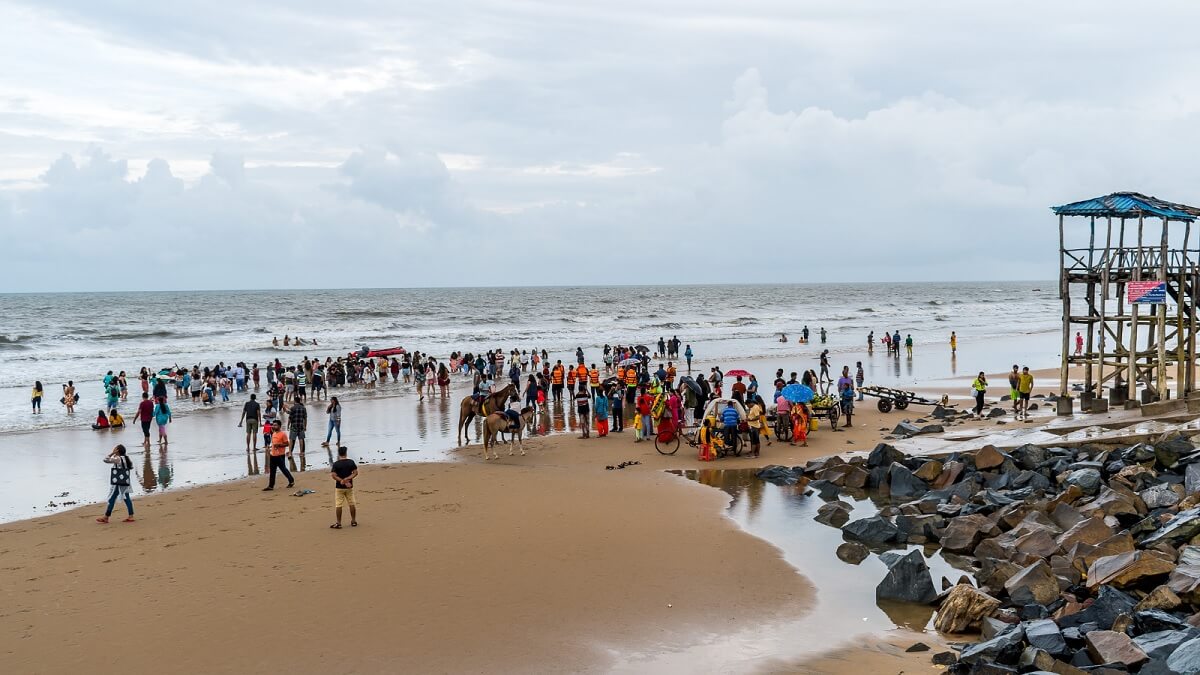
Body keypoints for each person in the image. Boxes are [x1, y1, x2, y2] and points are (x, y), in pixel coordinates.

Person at [97, 444, 135, 523]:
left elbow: (105, 460)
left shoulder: (118, 459)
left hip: (119, 482)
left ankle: (106, 517)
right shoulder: (126, 458)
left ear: (117, 450)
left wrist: (111, 453)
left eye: (115, 449)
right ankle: (131, 516)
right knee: (126, 498)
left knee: (112, 498)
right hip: (126, 481)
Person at [330, 446, 358, 529]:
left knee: (339, 504)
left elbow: (333, 475)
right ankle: (353, 520)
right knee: (351, 503)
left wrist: (341, 480)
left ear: (339, 454)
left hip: (339, 487)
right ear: (346, 453)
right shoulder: (351, 462)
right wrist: (348, 479)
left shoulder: (336, 464)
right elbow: (355, 473)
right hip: (349, 486)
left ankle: (339, 522)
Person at [264, 424, 294, 491]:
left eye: (275, 425)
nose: (274, 426)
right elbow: (273, 443)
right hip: (273, 455)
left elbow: (287, 444)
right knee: (272, 471)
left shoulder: (283, 434)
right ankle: (271, 486)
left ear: (279, 426)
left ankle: (291, 480)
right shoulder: (274, 433)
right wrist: (269, 447)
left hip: (280, 455)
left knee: (283, 469)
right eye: (273, 425)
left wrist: (279, 445)